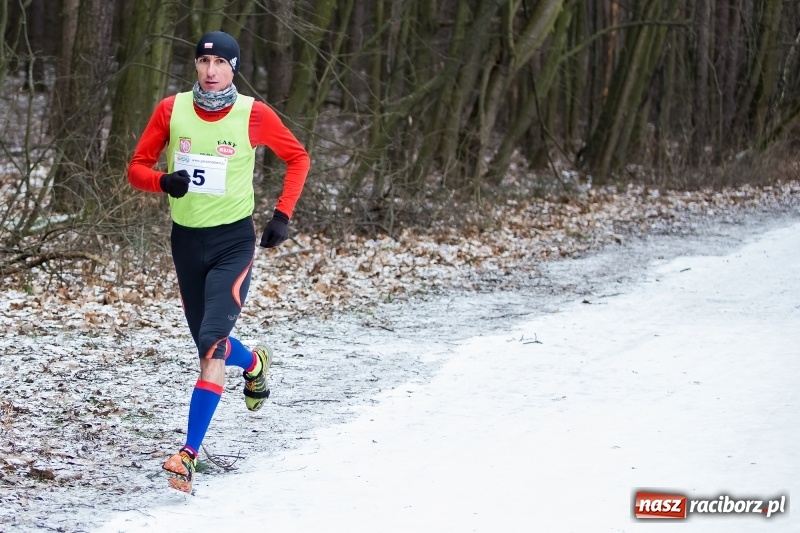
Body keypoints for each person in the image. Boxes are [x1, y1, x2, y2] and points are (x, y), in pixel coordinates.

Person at [127, 30, 310, 493]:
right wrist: (163, 182)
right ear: (195, 66)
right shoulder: (172, 110)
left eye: (220, 63)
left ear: (234, 68)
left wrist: (282, 215)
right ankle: (253, 365)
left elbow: (298, 158)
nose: (211, 71)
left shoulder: (254, 114)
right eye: (204, 62)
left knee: (211, 342)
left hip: (233, 242)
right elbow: (136, 168)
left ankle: (186, 455)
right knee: (211, 344)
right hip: (186, 242)